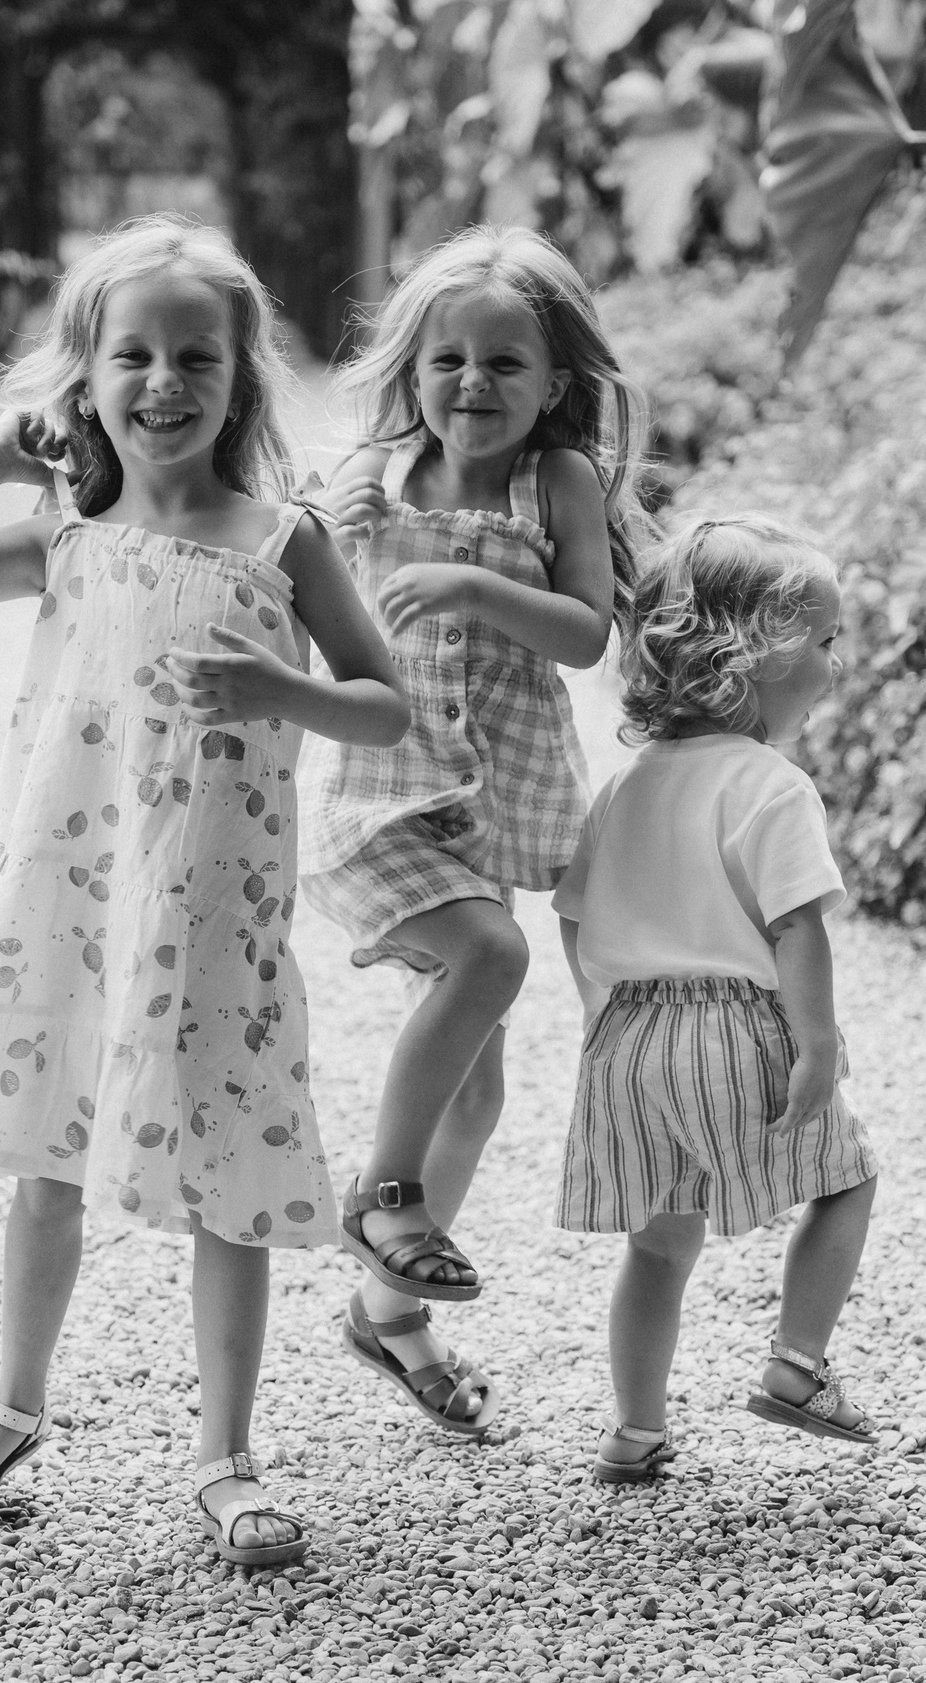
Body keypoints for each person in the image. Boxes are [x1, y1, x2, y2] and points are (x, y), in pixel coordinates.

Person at [0, 216, 409, 1567]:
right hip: (71, 901)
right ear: (86, 379)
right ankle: (9, 1406)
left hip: (211, 911)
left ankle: (226, 1455)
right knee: (47, 1158)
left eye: (195, 356)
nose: (165, 382)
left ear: (239, 379)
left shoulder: (283, 540)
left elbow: (385, 707)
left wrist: (285, 689)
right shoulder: (64, 536)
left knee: (227, 1171)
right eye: (133, 355)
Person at [307, 227, 649, 1437]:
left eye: (505, 364)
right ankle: (385, 1197)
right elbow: (303, 599)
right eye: (448, 360)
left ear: (556, 381)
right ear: (414, 368)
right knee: (490, 962)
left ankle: (387, 1316)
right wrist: (339, 533)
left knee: (480, 1087)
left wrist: (471, 585)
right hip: (379, 798)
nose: (472, 385)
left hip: (491, 811)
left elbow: (584, 633)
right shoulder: (371, 474)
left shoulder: (554, 483)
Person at [552, 516, 881, 1484]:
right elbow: (795, 927)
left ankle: (635, 1430)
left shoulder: (622, 789)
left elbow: (573, 918)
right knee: (845, 1179)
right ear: (758, 659)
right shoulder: (771, 787)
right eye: (824, 642)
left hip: (625, 1038)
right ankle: (795, 1364)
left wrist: (602, 1010)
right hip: (735, 1028)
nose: (835, 664)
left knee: (658, 1245)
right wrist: (813, 1043)